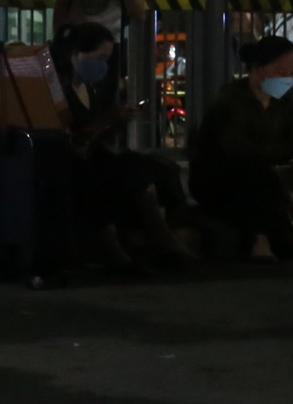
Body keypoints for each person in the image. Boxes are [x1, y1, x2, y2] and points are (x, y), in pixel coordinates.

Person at [56, 23, 193, 268]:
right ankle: (155, 241)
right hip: (72, 158)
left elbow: (96, 133)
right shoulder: (61, 88)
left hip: (94, 153)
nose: (104, 65)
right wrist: (110, 119)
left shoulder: (88, 86)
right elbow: (75, 136)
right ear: (77, 53)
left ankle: (163, 237)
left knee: (156, 168)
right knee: (127, 172)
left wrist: (117, 120)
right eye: (100, 57)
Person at [189, 35, 293, 257]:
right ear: (257, 68)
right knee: (259, 174)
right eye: (280, 73)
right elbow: (237, 150)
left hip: (272, 167)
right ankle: (260, 240)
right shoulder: (232, 100)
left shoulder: (284, 102)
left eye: (291, 73)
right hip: (223, 176)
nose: (287, 79)